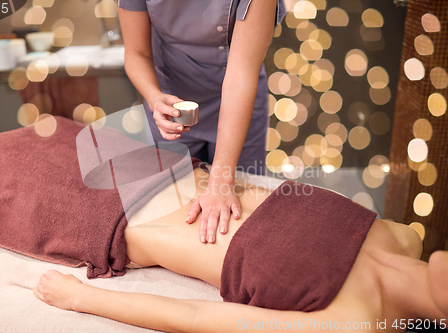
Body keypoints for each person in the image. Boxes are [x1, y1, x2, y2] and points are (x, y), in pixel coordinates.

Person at [34, 167, 448, 333]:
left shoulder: (354, 321)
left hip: (119, 219)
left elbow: (198, 317)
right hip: (169, 167)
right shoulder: (404, 236)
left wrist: (82, 298)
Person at [118, 0, 286, 244]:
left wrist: (221, 182)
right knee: (175, 212)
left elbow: (240, 76)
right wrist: (156, 99)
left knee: (241, 216)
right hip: (171, 101)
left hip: (239, 102)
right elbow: (136, 53)